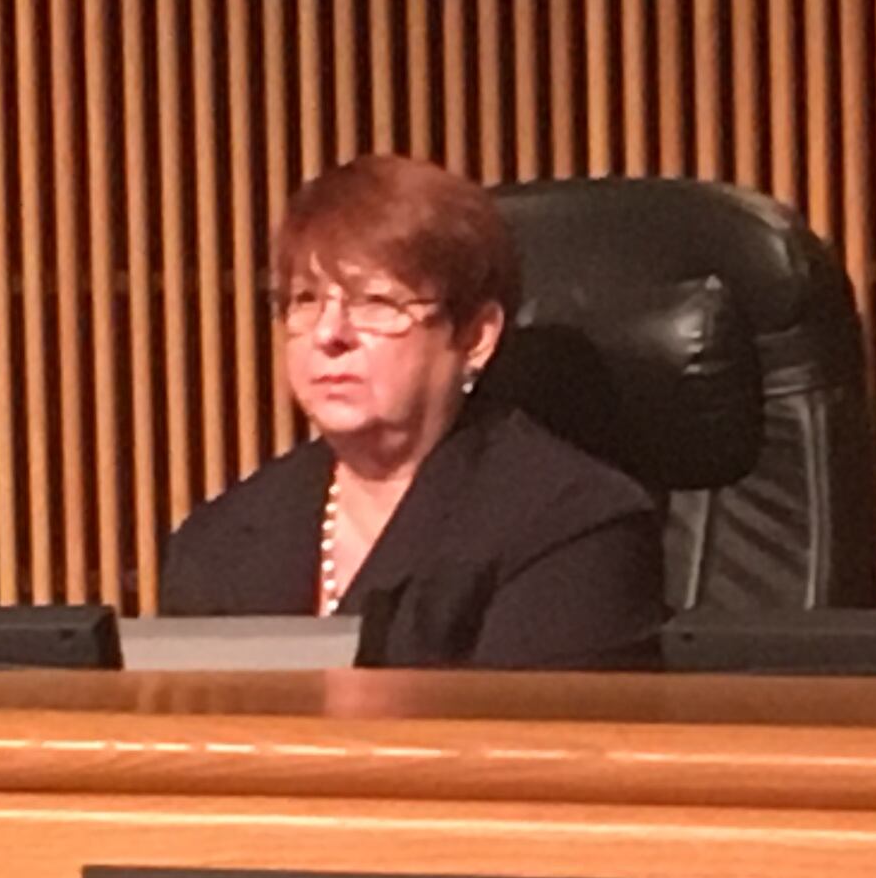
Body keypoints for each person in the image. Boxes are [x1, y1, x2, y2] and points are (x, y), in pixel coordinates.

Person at [162, 154, 664, 669]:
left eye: (376, 303)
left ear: (474, 336)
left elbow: (532, 745)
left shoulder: (574, 528)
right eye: (306, 300)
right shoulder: (218, 543)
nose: (329, 334)